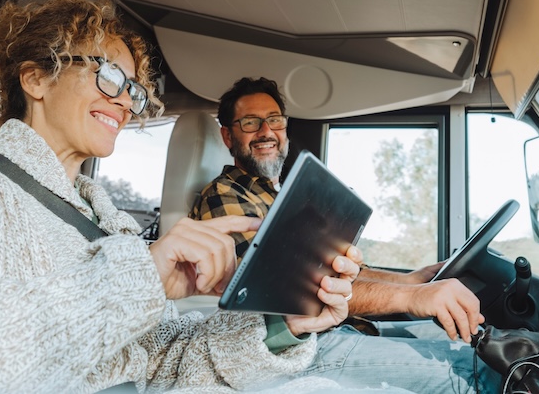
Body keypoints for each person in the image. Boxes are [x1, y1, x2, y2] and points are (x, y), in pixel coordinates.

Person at [0, 0, 363, 393]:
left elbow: (163, 359)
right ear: (36, 77)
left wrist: (284, 328)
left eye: (134, 91)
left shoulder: (110, 223)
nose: (125, 101)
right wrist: (134, 278)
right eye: (108, 77)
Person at [190, 76, 502, 393]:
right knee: (474, 371)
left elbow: (328, 274)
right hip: (291, 350)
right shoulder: (224, 198)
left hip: (335, 329)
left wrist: (410, 279)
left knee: (483, 343)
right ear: (228, 136)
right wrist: (410, 296)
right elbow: (283, 295)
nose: (267, 132)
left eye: (274, 120)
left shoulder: (283, 198)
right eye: (250, 123)